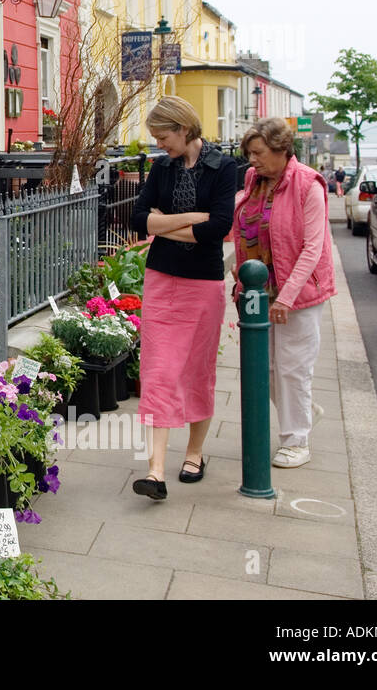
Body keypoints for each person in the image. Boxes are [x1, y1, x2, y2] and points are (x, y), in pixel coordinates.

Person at [129, 97, 237, 500]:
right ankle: (155, 471)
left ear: (183, 127)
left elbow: (220, 227)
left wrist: (163, 224)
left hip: (202, 284)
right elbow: (138, 219)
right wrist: (193, 218)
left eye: (164, 136)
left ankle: (194, 453)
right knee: (158, 370)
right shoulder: (162, 168)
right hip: (161, 278)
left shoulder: (224, 168)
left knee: (196, 369)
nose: (160, 145)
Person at [232, 118, 335, 468]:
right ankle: (303, 412)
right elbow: (246, 230)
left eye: (258, 153)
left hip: (299, 293)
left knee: (292, 367)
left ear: (281, 149)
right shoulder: (253, 180)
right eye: (249, 154)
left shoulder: (310, 184)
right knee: (266, 369)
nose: (252, 160)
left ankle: (296, 441)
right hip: (259, 290)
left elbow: (313, 248)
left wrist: (287, 296)